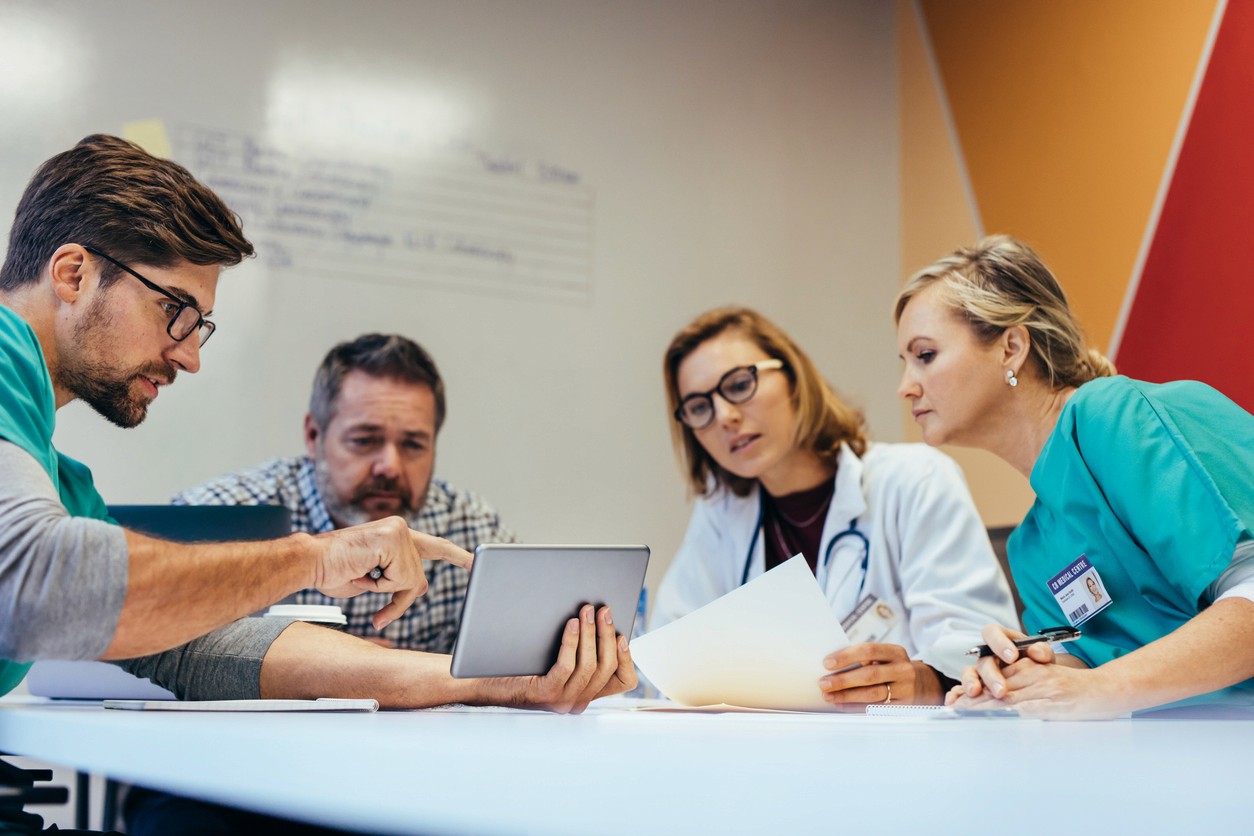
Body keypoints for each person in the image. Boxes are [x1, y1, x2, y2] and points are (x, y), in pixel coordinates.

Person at [0, 135, 632, 834]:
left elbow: (201, 645)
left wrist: (497, 683)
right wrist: (315, 556)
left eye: (198, 326)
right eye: (174, 309)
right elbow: (37, 581)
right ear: (72, 273)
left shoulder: (60, 480)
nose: (188, 354)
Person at [894, 234, 1254, 719]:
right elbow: (1087, 671)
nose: (906, 387)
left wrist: (1105, 687)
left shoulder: (1114, 417)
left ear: (1011, 348)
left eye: (926, 355)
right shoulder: (1033, 545)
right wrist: (1014, 678)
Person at [652, 306, 1017, 707]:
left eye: (739, 385)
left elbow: (975, 647)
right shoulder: (722, 516)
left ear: (794, 379)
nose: (724, 416)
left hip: (903, 752)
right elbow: (663, 663)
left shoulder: (914, 481)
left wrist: (923, 679)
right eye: (699, 408)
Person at [172, 332, 516, 652]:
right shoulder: (214, 518)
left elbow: (518, 665)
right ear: (313, 436)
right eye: (364, 440)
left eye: (413, 444)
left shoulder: (473, 532)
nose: (390, 467)